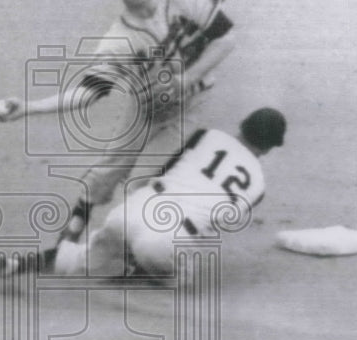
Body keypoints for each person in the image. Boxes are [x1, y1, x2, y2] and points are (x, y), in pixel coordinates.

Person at [0, 0, 237, 271]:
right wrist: (28, 107)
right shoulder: (118, 39)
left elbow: (226, 40)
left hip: (189, 105)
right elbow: (88, 94)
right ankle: (65, 246)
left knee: (142, 186)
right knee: (102, 175)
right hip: (146, 107)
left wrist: (186, 80)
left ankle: (132, 258)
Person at [53, 108, 286, 277]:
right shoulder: (258, 186)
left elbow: (167, 167)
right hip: (167, 240)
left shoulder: (207, 136)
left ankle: (32, 262)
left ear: (242, 124)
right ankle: (142, 273)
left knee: (79, 259)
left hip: (130, 213)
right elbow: (221, 222)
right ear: (271, 146)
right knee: (184, 271)